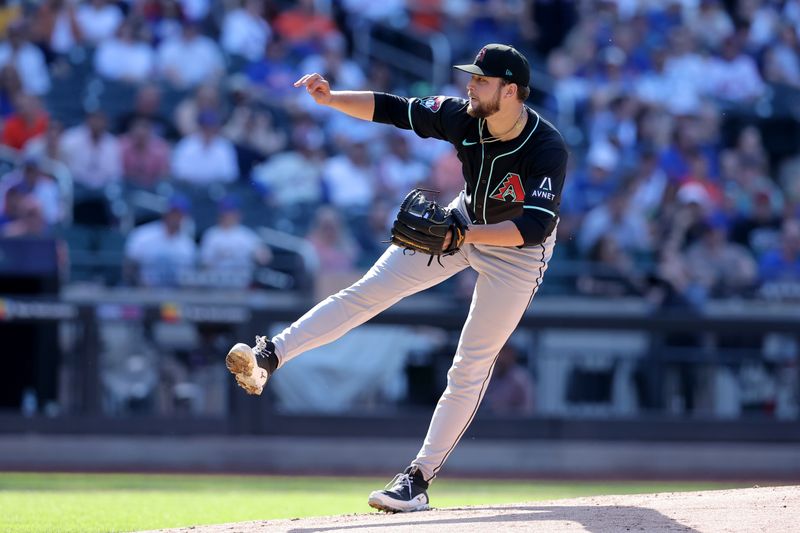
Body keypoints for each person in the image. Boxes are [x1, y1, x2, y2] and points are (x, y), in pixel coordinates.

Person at [225, 44, 568, 512]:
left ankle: (418, 478)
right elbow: (396, 109)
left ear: (510, 91)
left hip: (517, 254)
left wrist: (463, 235)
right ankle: (270, 355)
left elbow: (535, 226)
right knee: (366, 292)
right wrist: (331, 98)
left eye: (481, 80)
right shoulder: (462, 115)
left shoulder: (546, 147)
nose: (470, 84)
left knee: (470, 363)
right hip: (465, 220)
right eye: (471, 76)